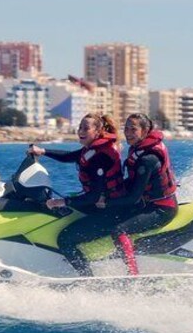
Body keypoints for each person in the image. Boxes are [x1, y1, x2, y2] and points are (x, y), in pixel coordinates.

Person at [27, 113, 125, 276]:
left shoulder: (100, 156)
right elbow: (70, 156)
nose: (81, 131)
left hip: (110, 212)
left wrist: (61, 201)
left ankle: (87, 279)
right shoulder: (91, 150)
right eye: (80, 127)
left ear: (98, 131)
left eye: (86, 128)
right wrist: (42, 151)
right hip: (99, 206)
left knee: (65, 239)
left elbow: (93, 197)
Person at [97, 113, 178, 275]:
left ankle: (133, 273)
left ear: (145, 131)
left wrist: (106, 202)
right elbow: (132, 182)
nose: (128, 132)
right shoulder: (138, 149)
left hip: (161, 209)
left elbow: (133, 197)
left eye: (133, 129)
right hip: (149, 204)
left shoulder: (148, 158)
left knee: (118, 229)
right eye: (126, 128)